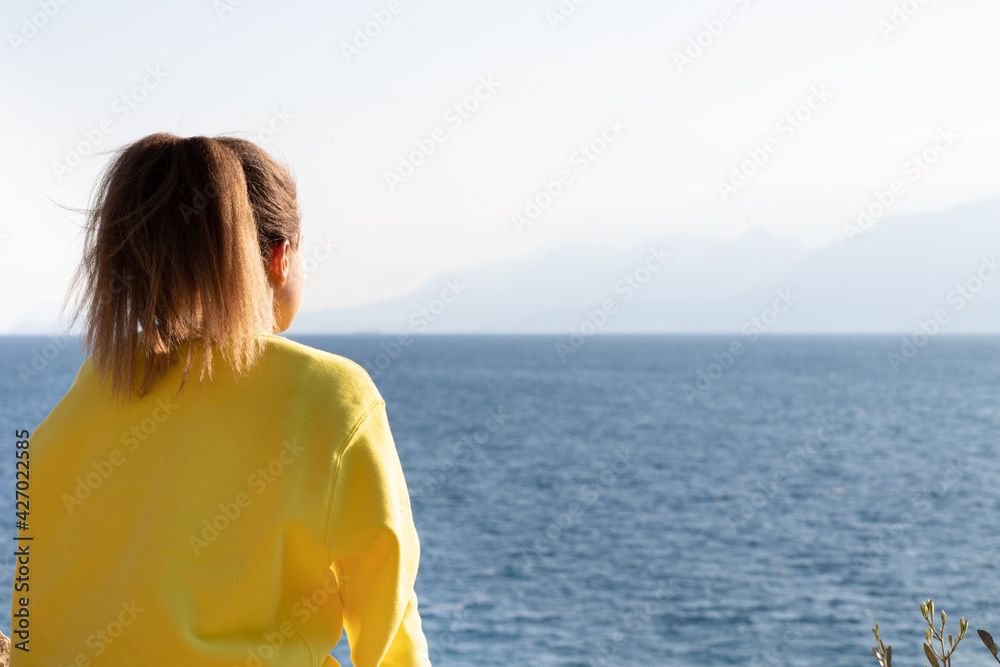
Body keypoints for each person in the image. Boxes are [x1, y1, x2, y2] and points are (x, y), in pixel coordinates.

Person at [10, 133, 431, 666]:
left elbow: (35, 611)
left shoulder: (87, 394)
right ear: (280, 258)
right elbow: (390, 629)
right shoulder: (332, 395)